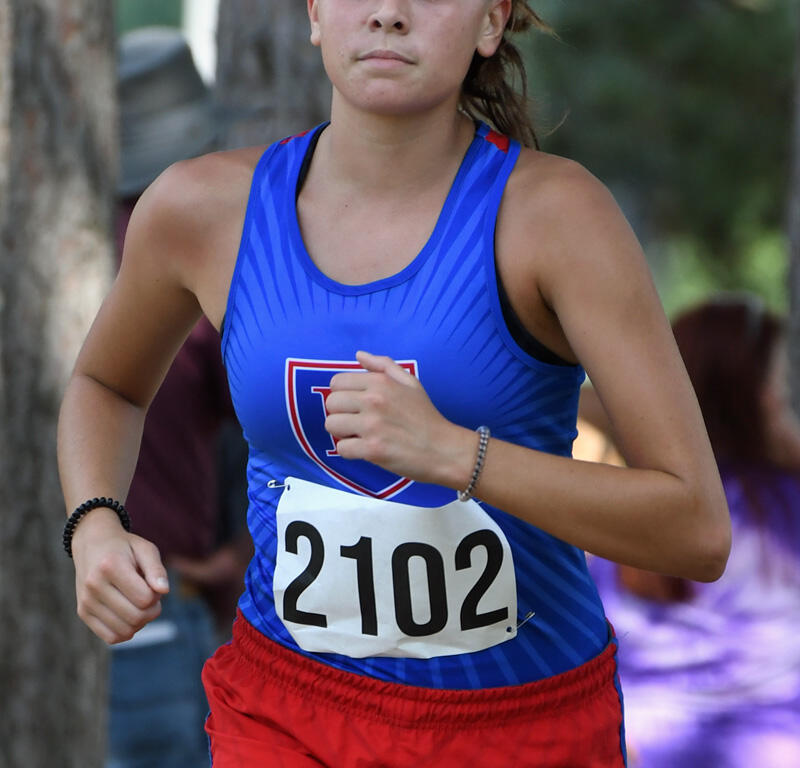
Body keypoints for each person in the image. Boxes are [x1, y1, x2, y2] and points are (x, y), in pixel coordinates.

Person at [58, 2, 731, 766]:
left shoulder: (556, 218)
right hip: (284, 709)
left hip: (517, 724)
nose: (388, 14)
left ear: (490, 23)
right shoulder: (200, 208)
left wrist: (457, 456)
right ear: (316, 13)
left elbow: (695, 530)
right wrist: (95, 523)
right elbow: (106, 384)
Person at [105, 27, 250, 768]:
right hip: (158, 601)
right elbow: (268, 415)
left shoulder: (73, 251)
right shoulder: (191, 268)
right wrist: (239, 555)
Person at [589, 295, 800, 768]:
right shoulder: (783, 500)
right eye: (777, 383)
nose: (779, 400)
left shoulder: (638, 502)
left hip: (645, 745)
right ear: (751, 393)